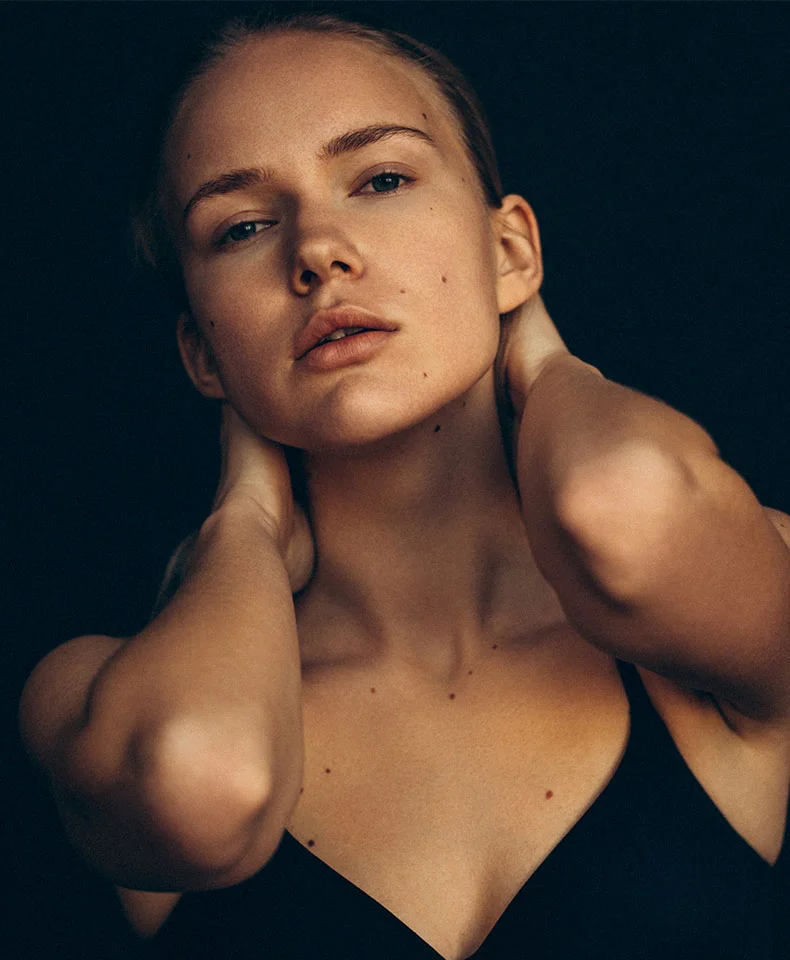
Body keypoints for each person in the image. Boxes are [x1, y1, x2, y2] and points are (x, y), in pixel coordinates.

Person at [18, 9, 790, 959]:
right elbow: (202, 778)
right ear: (202, 351)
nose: (316, 251)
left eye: (381, 179)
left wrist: (550, 370)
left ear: (508, 252)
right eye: (242, 227)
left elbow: (627, 506)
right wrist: (243, 529)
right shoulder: (95, 697)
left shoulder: (743, 597)